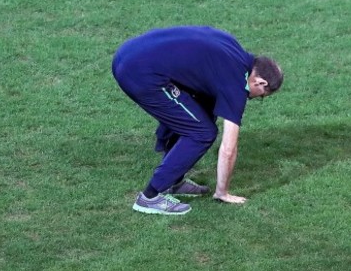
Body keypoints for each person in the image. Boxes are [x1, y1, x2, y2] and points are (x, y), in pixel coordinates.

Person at [112, 26, 283, 215]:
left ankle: (174, 182)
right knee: (202, 133)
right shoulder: (235, 83)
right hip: (140, 73)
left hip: (127, 53)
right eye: (261, 95)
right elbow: (228, 148)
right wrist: (222, 192)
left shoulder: (234, 51)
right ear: (261, 82)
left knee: (202, 113)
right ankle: (150, 197)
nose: (256, 98)